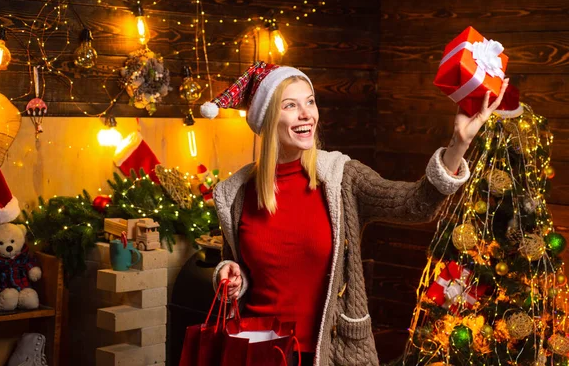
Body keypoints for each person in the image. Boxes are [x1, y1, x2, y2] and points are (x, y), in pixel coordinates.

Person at [199, 61, 509, 366]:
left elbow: (416, 204)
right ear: (266, 119)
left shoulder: (341, 177)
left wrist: (459, 144)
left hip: (328, 351)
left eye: (310, 101)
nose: (307, 113)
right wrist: (231, 278)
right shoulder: (235, 193)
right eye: (290, 105)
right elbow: (238, 271)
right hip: (257, 352)